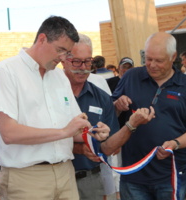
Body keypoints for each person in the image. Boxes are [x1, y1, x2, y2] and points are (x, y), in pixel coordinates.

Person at [0, 16, 110, 200]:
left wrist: (92, 132)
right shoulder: (7, 71)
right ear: (42, 39)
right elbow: (9, 133)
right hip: (26, 179)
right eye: (60, 50)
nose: (63, 58)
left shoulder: (59, 77)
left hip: (65, 173)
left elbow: (75, 127)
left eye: (67, 53)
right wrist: (63, 132)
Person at [62, 33, 154, 200]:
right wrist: (80, 148)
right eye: (76, 61)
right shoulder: (50, 94)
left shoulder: (101, 97)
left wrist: (130, 125)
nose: (83, 67)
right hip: (57, 177)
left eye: (88, 61)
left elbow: (113, 147)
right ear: (63, 60)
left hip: (90, 181)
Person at [113, 32, 186, 200]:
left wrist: (176, 144)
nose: (152, 65)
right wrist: (118, 105)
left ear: (173, 57)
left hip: (170, 175)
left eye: (159, 60)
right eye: (148, 59)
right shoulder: (131, 76)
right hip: (133, 174)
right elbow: (110, 114)